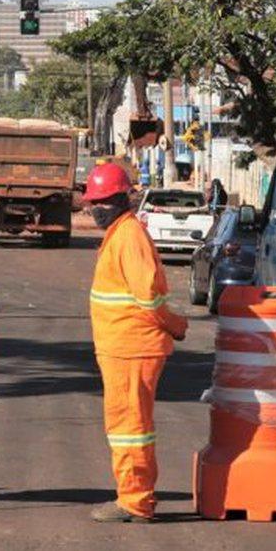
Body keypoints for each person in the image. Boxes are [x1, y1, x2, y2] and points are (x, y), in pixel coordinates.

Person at [82, 162, 189, 523]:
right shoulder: (120, 233)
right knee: (126, 426)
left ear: (118, 200)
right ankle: (134, 496)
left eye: (99, 203)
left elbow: (148, 299)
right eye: (91, 203)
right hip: (122, 348)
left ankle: (135, 501)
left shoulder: (128, 236)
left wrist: (174, 325)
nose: (93, 209)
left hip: (132, 348)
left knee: (130, 429)